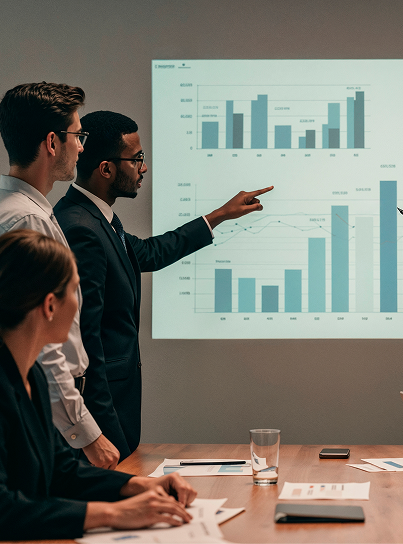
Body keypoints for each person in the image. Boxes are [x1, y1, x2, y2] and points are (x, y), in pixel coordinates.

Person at [0, 229, 198, 543]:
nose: (80, 304)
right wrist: (114, 515)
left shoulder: (29, 373)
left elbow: (60, 470)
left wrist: (136, 486)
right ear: (50, 305)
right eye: (76, 291)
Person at [54, 110, 273, 460]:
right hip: (103, 424)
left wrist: (219, 215)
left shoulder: (98, 219)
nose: (143, 168)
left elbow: (149, 253)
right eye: (137, 159)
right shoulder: (81, 227)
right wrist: (101, 436)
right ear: (106, 169)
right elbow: (85, 342)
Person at [0, 82, 120, 469]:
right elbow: (41, 339)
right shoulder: (26, 218)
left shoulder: (1, 208)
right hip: (50, 410)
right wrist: (87, 434)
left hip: (44, 404)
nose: (82, 147)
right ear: (52, 142)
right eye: (77, 136)